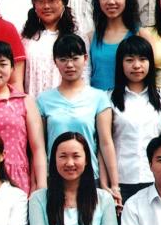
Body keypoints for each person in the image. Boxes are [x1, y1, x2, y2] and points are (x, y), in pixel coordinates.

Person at [38, 34, 120, 204]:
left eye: (75, 58)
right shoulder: (43, 100)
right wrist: (40, 183)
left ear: (85, 58)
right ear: (55, 61)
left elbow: (105, 143)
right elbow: (40, 146)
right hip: (55, 178)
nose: (69, 65)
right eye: (63, 59)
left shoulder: (99, 97)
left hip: (90, 177)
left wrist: (114, 184)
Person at [0, 40, 46, 193]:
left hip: (18, 180)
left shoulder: (25, 101)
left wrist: (41, 185)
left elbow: (37, 148)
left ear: (12, 68)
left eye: (3, 64)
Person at [110, 35, 161, 203]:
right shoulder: (108, 99)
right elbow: (105, 144)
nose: (136, 65)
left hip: (155, 178)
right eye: (129, 60)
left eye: (143, 59)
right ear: (120, 64)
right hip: (122, 179)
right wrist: (112, 184)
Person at [21, 0, 82, 101]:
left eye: (52, 0)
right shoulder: (25, 37)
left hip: (66, 103)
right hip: (32, 103)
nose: (46, 6)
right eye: (40, 1)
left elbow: (84, 72)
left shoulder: (76, 35)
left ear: (64, 2)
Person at [88, 0, 141, 91]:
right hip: (98, 100)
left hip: (129, 100)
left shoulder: (140, 34)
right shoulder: (90, 37)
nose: (111, 1)